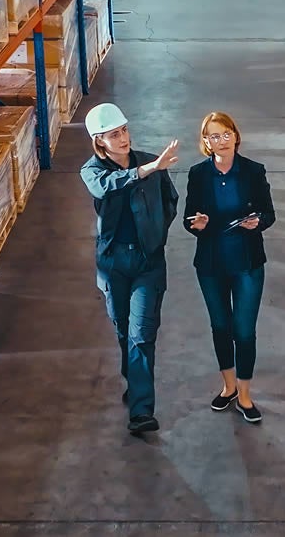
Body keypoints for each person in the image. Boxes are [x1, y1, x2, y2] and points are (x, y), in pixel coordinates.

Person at [80, 102, 181, 433]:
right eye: (114, 134)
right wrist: (145, 171)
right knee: (123, 330)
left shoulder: (152, 162)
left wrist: (156, 235)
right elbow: (106, 187)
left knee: (141, 334)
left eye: (124, 130)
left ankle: (141, 411)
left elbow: (170, 202)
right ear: (100, 142)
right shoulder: (91, 171)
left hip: (147, 262)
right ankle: (135, 381)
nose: (123, 138)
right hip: (112, 263)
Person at [183, 111, 275, 424]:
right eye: (212, 136)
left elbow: (269, 214)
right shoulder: (198, 174)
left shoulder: (253, 171)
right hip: (211, 263)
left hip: (247, 262)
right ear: (205, 142)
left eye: (225, 134)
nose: (220, 141)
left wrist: (257, 222)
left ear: (235, 135)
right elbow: (188, 218)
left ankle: (245, 395)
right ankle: (228, 386)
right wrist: (198, 224)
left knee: (244, 330)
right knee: (220, 326)